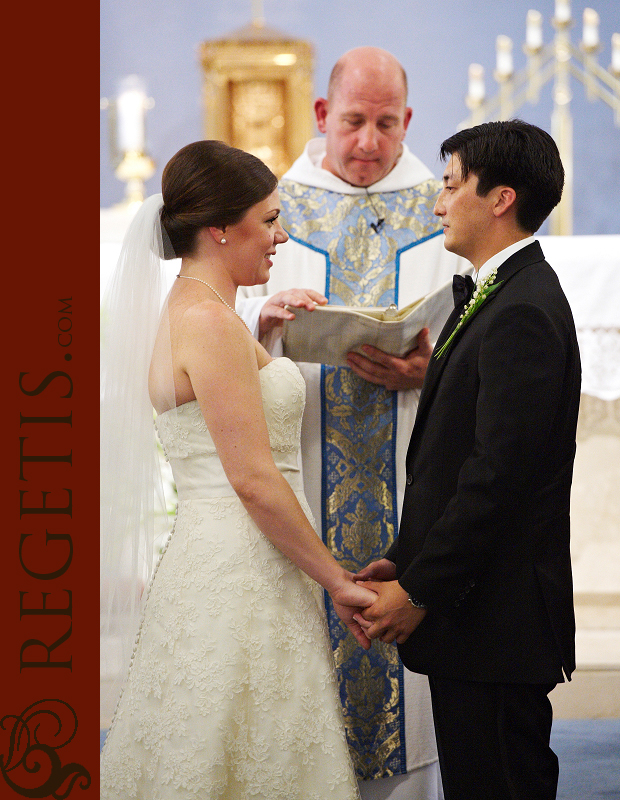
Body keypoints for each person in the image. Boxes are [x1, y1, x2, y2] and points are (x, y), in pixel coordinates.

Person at [99, 140, 377, 799]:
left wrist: (268, 335)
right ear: (221, 228)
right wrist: (338, 581)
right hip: (247, 564)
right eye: (270, 217)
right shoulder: (213, 326)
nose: (280, 236)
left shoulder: (195, 314)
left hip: (208, 560)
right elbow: (252, 480)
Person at [238, 47, 468, 798]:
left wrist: (430, 370)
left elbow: (478, 341)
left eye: (387, 124)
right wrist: (266, 323)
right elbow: (222, 324)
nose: (369, 142)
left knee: (416, 713)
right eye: (354, 122)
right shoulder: (270, 203)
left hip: (411, 468)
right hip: (302, 470)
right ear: (320, 118)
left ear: (410, 122)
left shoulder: (445, 206)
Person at [354, 120, 581, 800]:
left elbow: (497, 479)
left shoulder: (523, 311)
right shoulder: (494, 293)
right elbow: (456, 459)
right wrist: (405, 557)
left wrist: (421, 590)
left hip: (495, 614)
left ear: (500, 198)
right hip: (475, 608)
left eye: (450, 186)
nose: (438, 202)